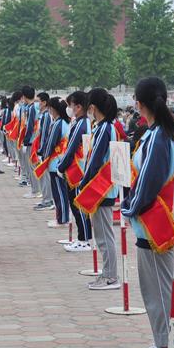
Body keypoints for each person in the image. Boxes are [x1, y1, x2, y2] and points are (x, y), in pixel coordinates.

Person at [121, 77, 174, 348]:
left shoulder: (160, 136)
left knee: (158, 289)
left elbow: (148, 182)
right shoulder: (163, 133)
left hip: (154, 222)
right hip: (156, 220)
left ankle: (165, 347)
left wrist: (129, 208)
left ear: (139, 103)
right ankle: (164, 341)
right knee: (160, 287)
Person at [76, 89, 121, 289]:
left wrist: (83, 183)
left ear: (93, 107)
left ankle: (110, 276)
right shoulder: (103, 127)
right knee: (103, 235)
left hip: (101, 188)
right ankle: (107, 273)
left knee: (104, 236)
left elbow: (95, 161)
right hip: (101, 188)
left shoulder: (105, 129)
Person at [57, 91, 94, 251]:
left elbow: (71, 148)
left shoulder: (81, 124)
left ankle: (84, 240)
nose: (69, 108)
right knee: (75, 206)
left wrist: (61, 167)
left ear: (78, 107)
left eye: (71, 105)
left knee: (78, 206)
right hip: (76, 168)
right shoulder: (80, 122)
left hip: (77, 170)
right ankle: (81, 238)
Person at [38, 97, 70, 229]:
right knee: (59, 192)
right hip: (60, 161)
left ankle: (62, 219)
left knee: (59, 193)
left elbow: (50, 143)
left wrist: (43, 156)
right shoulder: (64, 122)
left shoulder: (58, 124)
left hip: (55, 162)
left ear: (54, 109)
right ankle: (60, 217)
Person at [33, 93, 54, 211]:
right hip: (44, 150)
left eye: (39, 101)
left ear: (45, 102)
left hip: (44, 151)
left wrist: (41, 151)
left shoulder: (46, 116)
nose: (37, 104)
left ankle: (47, 200)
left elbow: (45, 135)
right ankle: (46, 198)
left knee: (45, 177)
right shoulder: (44, 115)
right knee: (44, 176)